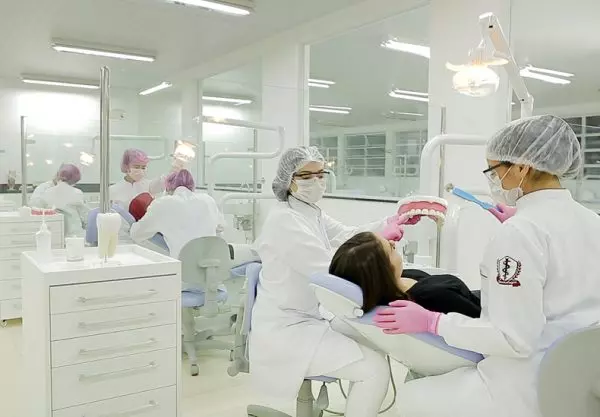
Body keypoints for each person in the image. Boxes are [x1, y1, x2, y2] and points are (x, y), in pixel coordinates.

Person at [374, 115, 600, 417]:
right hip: (583, 381)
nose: (492, 179)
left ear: (522, 168)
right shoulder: (592, 221)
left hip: (525, 386)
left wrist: (434, 322)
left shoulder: (521, 232)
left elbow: (513, 338)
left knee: (410, 397)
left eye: (494, 170)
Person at [250, 146, 413, 417]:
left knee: (375, 342)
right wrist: (383, 256)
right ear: (288, 180)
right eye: (306, 176)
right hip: (286, 330)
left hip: (311, 317)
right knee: (373, 370)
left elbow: (347, 235)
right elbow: (327, 269)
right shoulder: (283, 221)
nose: (316, 181)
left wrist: (390, 222)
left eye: (320, 174)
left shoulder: (309, 212)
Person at [330, 232, 481, 318]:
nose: (393, 242)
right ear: (384, 271)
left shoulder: (398, 280)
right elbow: (480, 322)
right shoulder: (433, 297)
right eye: (390, 248)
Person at [129, 169, 225, 259]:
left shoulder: (162, 203)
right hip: (215, 263)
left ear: (167, 188)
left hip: (184, 264)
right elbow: (221, 226)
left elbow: (136, 234)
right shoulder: (208, 200)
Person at [36, 164, 89, 237]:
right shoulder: (77, 193)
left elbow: (39, 212)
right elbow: (86, 217)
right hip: (75, 236)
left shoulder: (47, 192)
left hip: (54, 235)